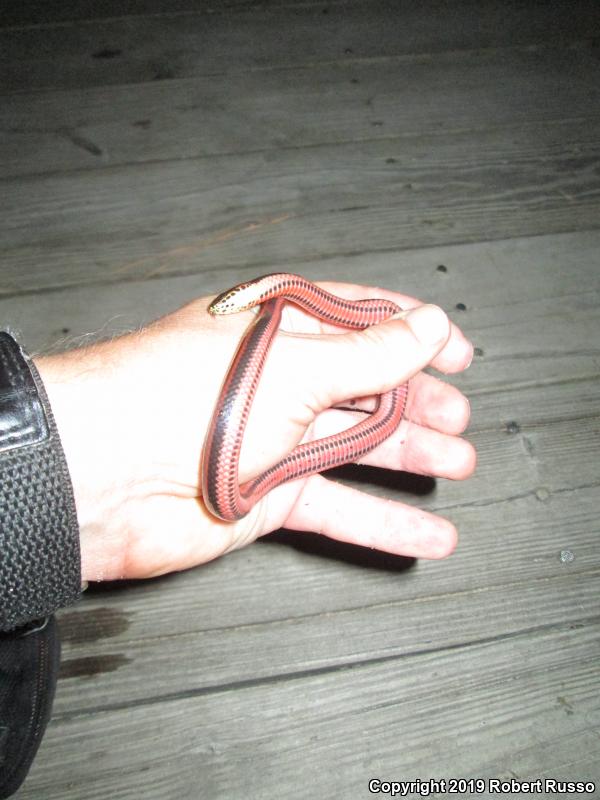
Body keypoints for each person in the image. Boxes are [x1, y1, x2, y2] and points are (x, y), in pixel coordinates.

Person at [0, 279, 475, 795]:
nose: (233, 308)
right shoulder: (272, 303)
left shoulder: (286, 300)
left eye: (238, 303)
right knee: (240, 488)